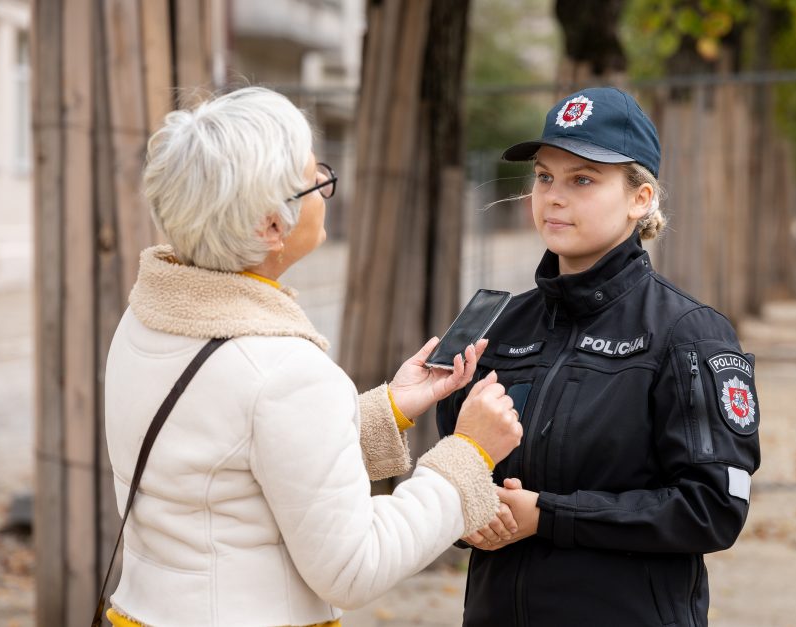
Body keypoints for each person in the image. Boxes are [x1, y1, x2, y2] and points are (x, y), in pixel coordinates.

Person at [102, 86, 523, 627]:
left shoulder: (145, 319)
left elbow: (228, 464)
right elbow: (352, 568)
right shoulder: (284, 371)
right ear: (272, 226)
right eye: (316, 180)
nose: (325, 192)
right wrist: (468, 455)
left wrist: (385, 409)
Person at [437, 87, 761, 626]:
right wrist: (468, 510)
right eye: (544, 177)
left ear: (641, 198)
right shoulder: (496, 324)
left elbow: (713, 510)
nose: (553, 197)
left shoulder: (689, 333)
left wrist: (547, 516)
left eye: (582, 179)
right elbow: (458, 465)